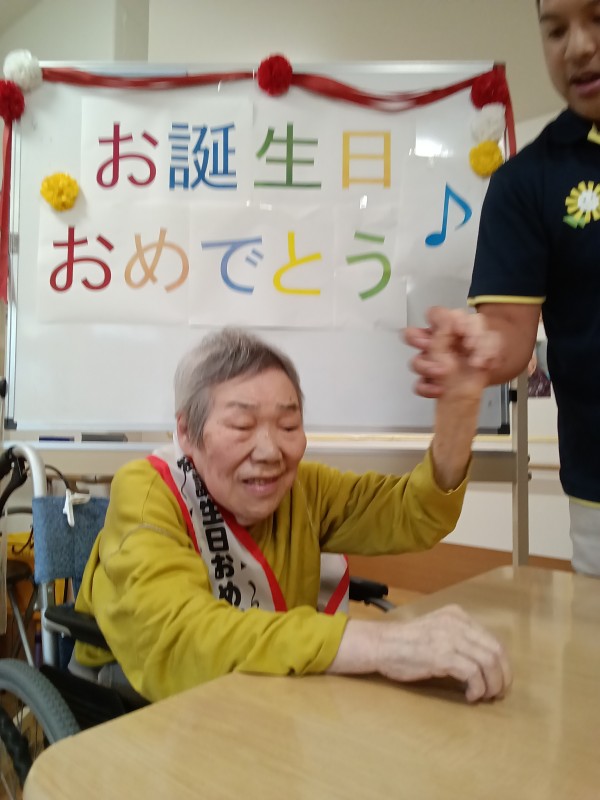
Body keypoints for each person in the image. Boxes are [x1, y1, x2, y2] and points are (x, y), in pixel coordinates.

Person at [72, 323, 511, 705]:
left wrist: (458, 411)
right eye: (242, 426)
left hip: (267, 694)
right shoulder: (148, 493)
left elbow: (414, 513)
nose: (270, 451)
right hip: (133, 698)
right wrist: (379, 643)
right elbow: (178, 639)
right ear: (187, 432)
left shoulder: (304, 489)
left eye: (288, 426)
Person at [406, 0, 600, 578]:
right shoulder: (527, 180)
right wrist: (476, 349)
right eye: (556, 30)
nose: (578, 47)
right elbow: (510, 334)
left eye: (597, 18)